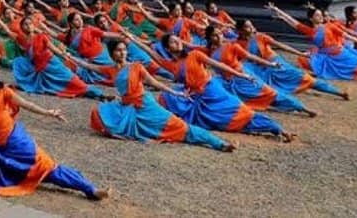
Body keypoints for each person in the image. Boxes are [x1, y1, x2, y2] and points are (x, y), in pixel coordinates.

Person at [0, 54, 111, 200]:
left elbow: (25, 103)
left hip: (14, 139)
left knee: (45, 166)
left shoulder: (3, 90)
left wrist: (47, 112)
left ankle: (89, 189)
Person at [84, 40, 234, 152]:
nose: (122, 53)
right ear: (111, 53)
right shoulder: (110, 70)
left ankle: (219, 143)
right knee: (97, 112)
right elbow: (88, 66)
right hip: (127, 108)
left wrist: (176, 92)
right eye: (118, 50)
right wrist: (66, 55)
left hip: (145, 104)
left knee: (180, 127)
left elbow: (155, 83)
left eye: (124, 50)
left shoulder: (136, 66)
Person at [145, 34, 296, 142]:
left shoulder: (195, 54)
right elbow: (151, 53)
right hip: (198, 98)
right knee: (166, 97)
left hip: (213, 91)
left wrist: (241, 75)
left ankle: (277, 128)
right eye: (172, 42)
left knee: (242, 112)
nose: (177, 43)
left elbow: (219, 65)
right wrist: (131, 38)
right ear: (167, 48)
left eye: (178, 40)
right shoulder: (172, 65)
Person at [268, 4, 357, 85]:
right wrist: (278, 11)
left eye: (321, 15)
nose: (321, 17)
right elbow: (292, 21)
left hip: (343, 54)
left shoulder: (330, 26)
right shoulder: (309, 31)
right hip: (329, 57)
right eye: (317, 15)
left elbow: (349, 35)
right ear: (311, 18)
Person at [204, 25, 316, 117]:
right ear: (209, 38)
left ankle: (302, 108)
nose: (219, 37)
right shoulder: (209, 52)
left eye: (220, 33)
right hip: (231, 83)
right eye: (215, 35)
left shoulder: (232, 46)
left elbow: (250, 56)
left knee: (272, 94)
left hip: (246, 77)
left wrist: (269, 64)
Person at [234, 19, 348, 100]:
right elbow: (238, 61)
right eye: (247, 26)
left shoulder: (261, 37)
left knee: (306, 78)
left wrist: (299, 53)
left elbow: (280, 45)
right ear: (240, 30)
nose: (252, 27)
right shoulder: (237, 44)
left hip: (277, 65)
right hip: (261, 71)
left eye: (251, 25)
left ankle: (338, 93)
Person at [12, 17, 106, 100]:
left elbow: (53, 49)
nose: (28, 26)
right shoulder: (26, 44)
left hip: (53, 64)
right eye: (25, 24)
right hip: (43, 71)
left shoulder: (41, 36)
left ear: (34, 26)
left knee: (72, 80)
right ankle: (88, 93)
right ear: (22, 28)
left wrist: (65, 56)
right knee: (58, 86)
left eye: (30, 23)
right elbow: (31, 59)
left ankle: (98, 93)